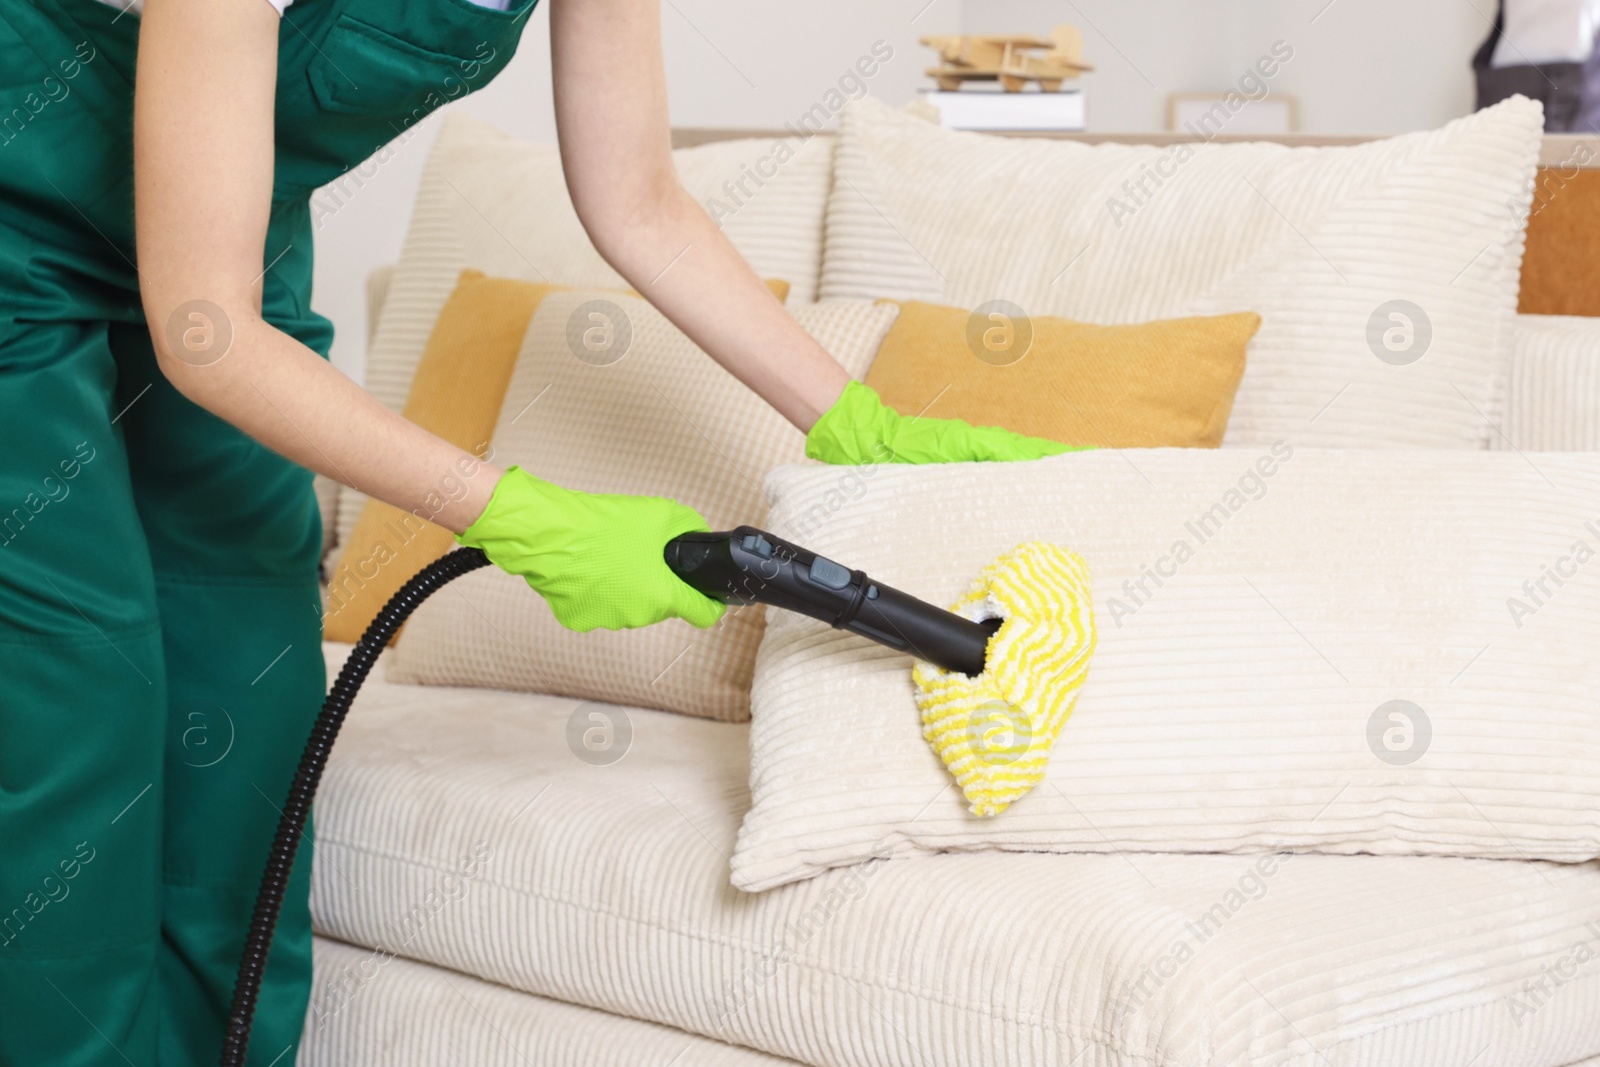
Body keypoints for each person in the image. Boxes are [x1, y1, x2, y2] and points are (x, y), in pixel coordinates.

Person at [0, 0, 1073, 1061]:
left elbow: (638, 199)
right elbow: (209, 335)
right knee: (82, 700)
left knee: (249, 699)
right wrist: (519, 515)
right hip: (22, 238)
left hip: (232, 233)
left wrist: (851, 417)